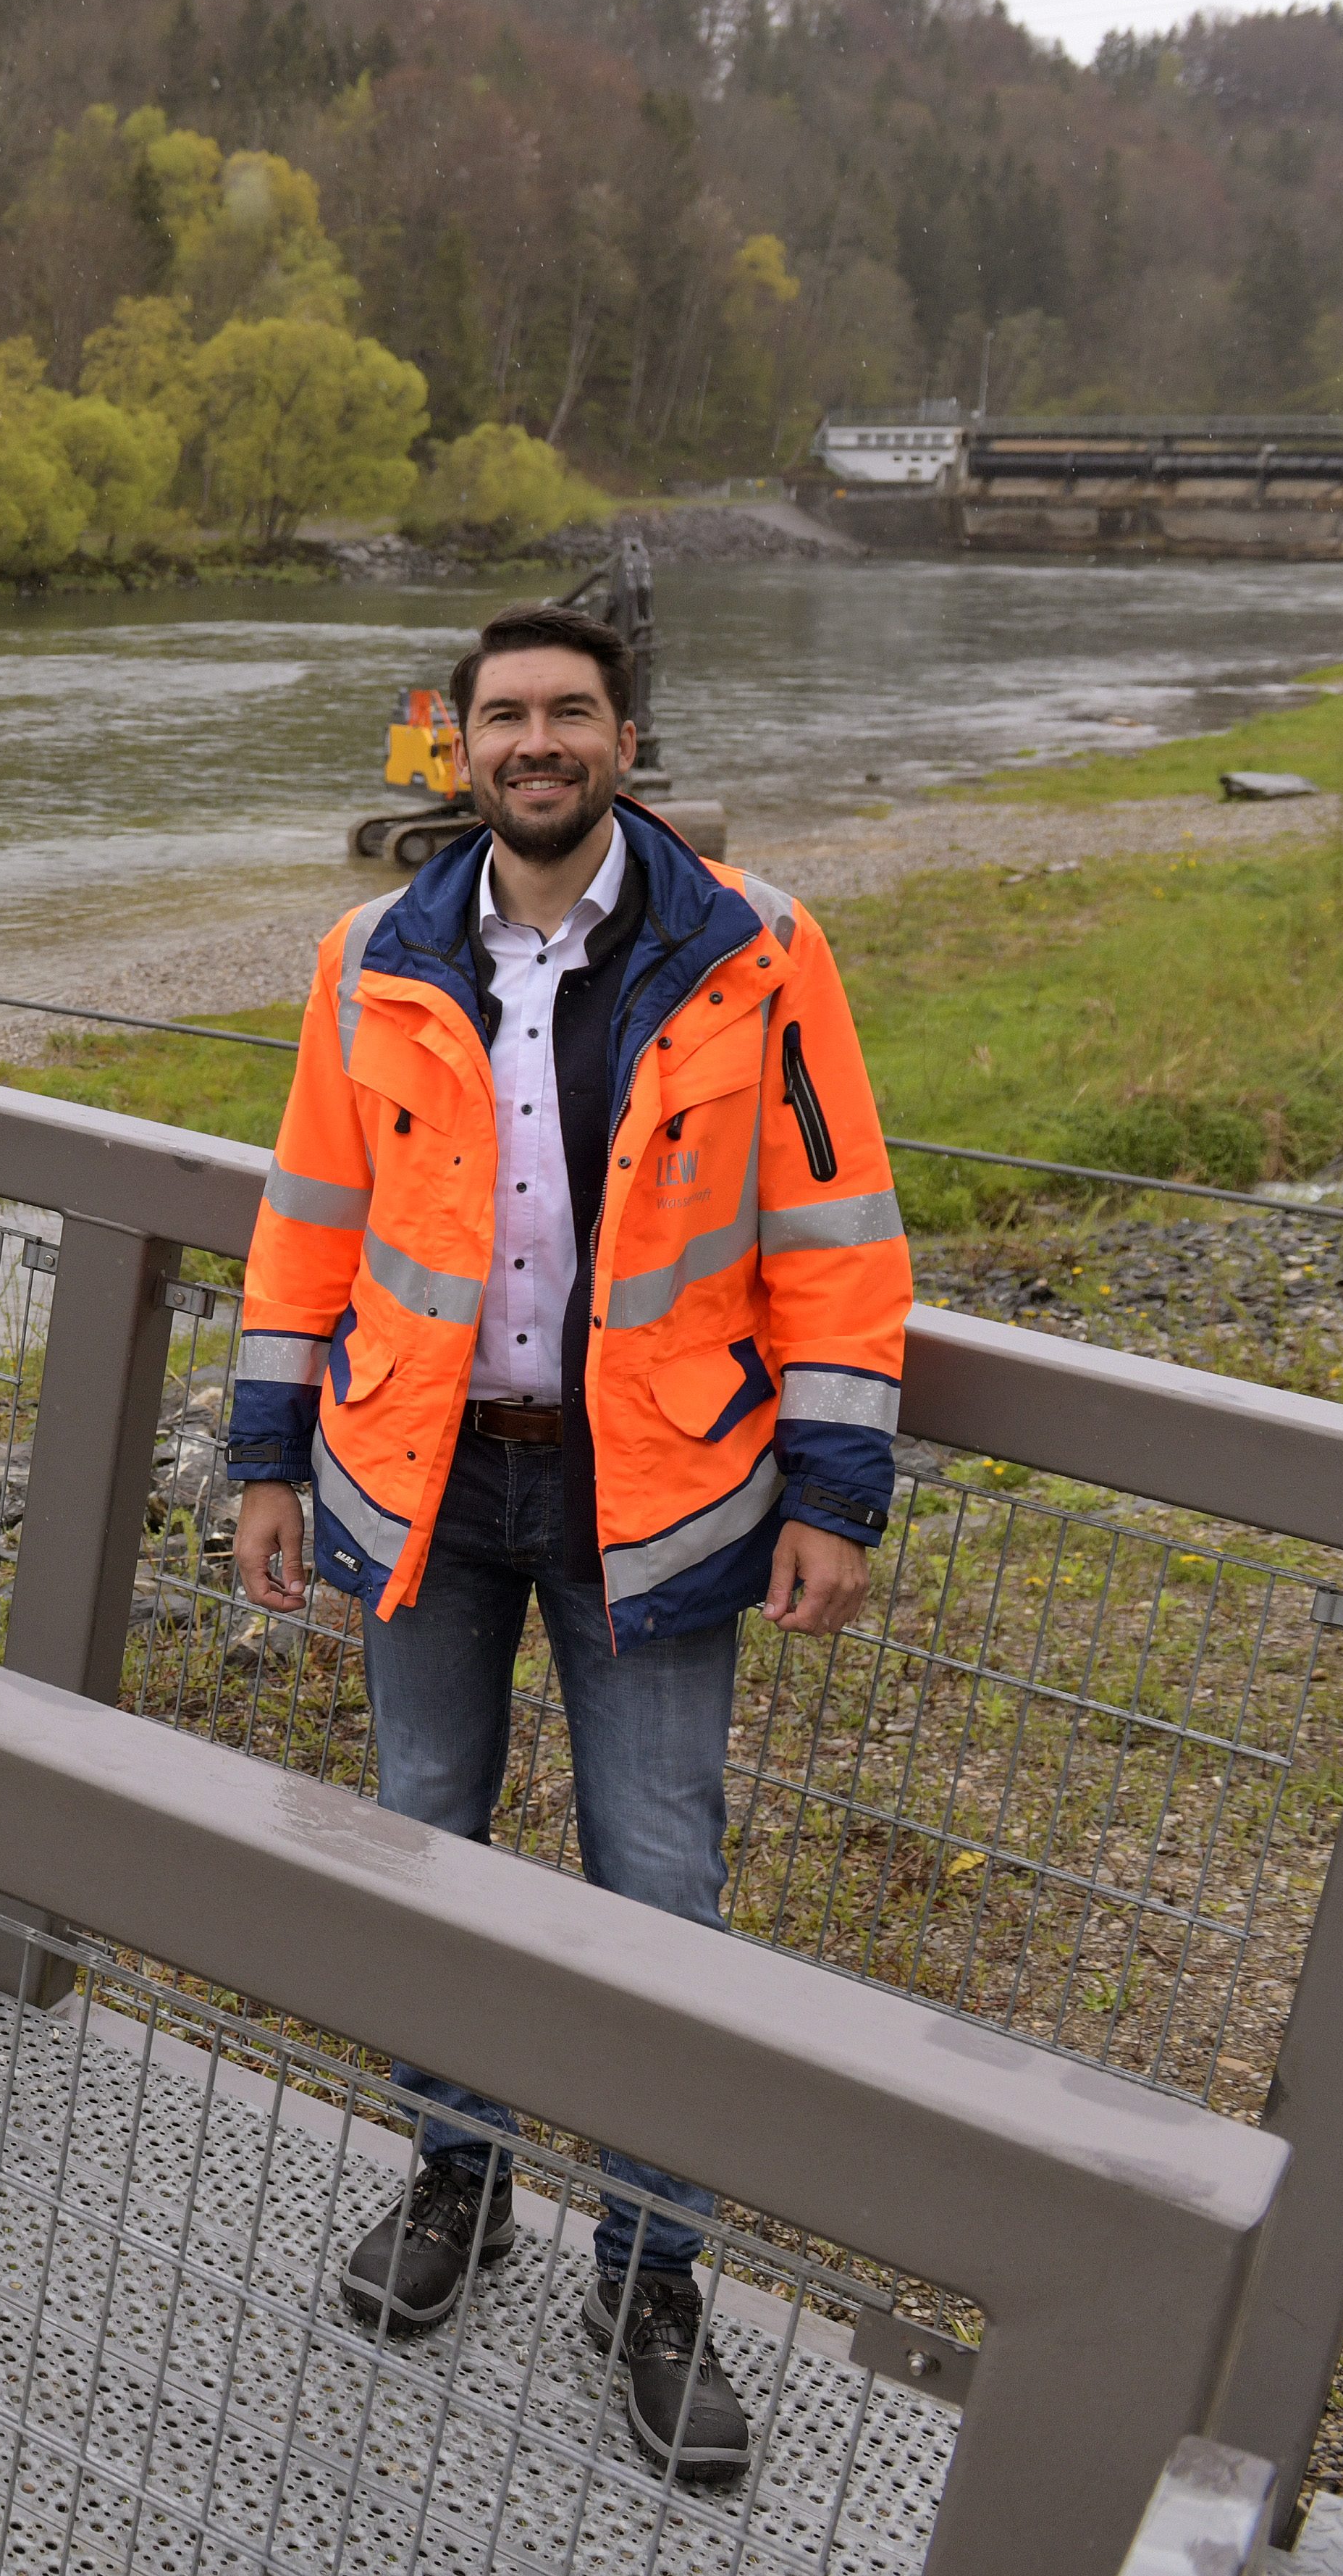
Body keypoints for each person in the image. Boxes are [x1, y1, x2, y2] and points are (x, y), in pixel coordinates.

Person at [229, 600, 911, 2488]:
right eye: (505, 715)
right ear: (457, 745)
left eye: (571, 713)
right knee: (426, 1855)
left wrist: (839, 1494)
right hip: (426, 1483)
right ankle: (460, 2183)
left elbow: (838, 1227)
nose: (537, 742)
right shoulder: (373, 953)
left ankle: (655, 2271)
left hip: (661, 1501)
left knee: (659, 1893)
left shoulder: (754, 950)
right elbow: (307, 1218)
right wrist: (265, 1456)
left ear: (623, 737)